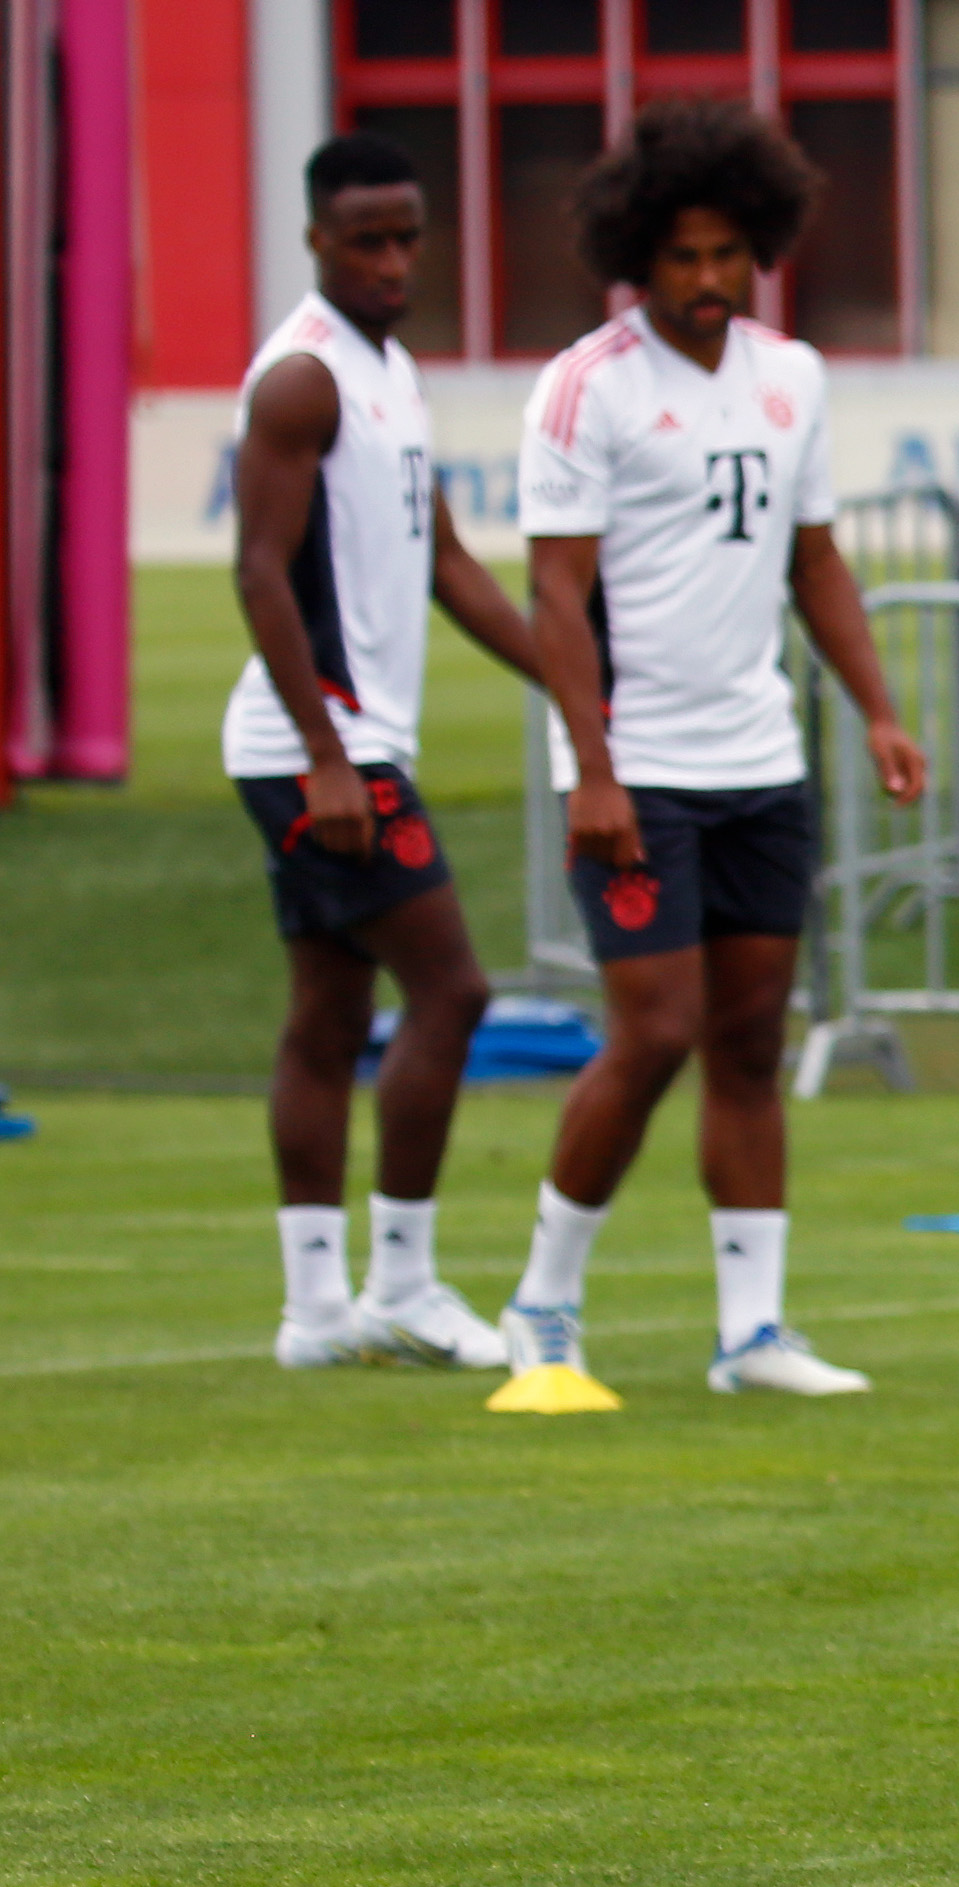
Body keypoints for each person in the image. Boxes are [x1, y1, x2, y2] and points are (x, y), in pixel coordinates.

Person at [491, 98, 929, 1413]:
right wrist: (595, 767)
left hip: (759, 766)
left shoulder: (792, 376)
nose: (703, 279)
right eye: (679, 255)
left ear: (761, 251)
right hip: (638, 775)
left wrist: (879, 708)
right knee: (655, 1032)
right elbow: (556, 597)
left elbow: (817, 562)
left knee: (746, 1041)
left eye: (725, 253)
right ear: (637, 254)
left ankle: (751, 1333)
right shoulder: (586, 388)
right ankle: (541, 1302)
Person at [226, 130, 545, 1372]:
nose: (393, 261)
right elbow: (257, 572)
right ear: (314, 239)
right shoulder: (300, 379)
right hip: (322, 747)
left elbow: (447, 564)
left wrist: (574, 689)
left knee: (328, 1009)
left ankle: (316, 1313)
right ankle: (402, 1280)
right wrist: (324, 754)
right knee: (454, 990)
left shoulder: (389, 370)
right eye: (367, 239)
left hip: (340, 744)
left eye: (409, 236)